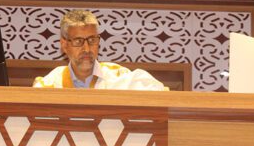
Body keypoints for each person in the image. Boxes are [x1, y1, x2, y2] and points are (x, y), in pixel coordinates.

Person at [33, 9, 166, 91]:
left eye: (92, 40)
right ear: (64, 45)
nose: (86, 49)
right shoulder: (48, 85)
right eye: (78, 41)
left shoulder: (121, 77)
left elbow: (160, 94)